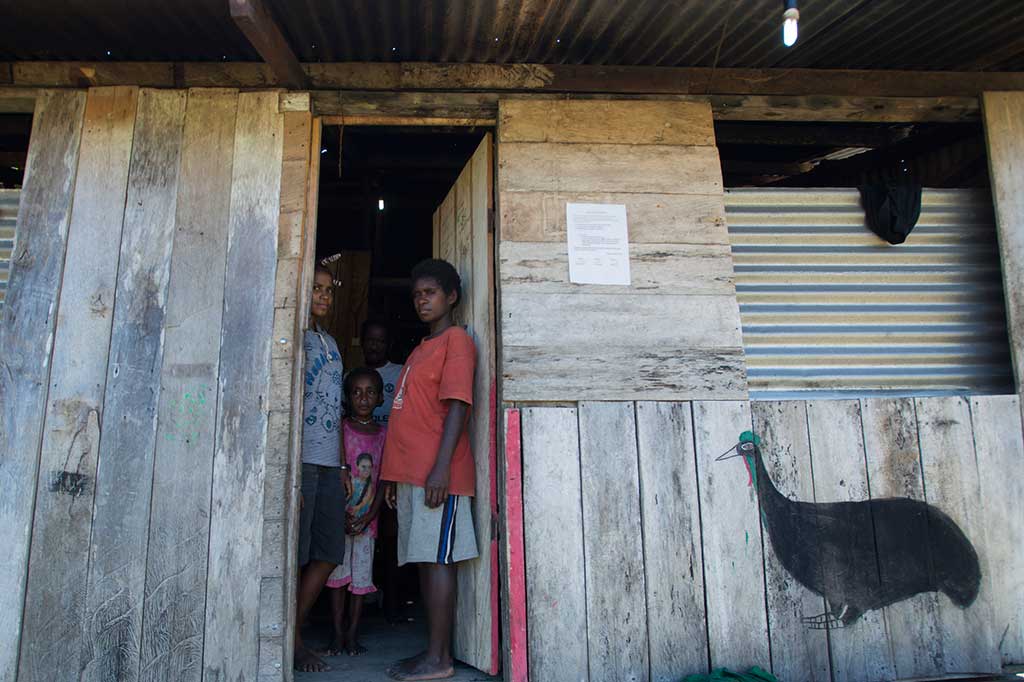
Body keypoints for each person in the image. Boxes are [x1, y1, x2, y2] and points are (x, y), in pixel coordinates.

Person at [382, 259, 478, 681]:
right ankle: (431, 653)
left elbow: (458, 404)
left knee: (438, 561)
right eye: (417, 294)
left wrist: (440, 469)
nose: (422, 300)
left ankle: (439, 660)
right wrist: (393, 474)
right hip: (413, 475)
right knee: (426, 560)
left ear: (451, 297)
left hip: (437, 475)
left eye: (431, 293)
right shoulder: (423, 347)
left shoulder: (456, 340)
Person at [294, 265, 352, 674]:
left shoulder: (330, 342)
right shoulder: (294, 339)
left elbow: (339, 408)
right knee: (295, 553)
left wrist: (345, 461)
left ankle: (291, 630)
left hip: (330, 463)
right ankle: (292, 640)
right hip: (302, 462)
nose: (323, 297)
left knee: (330, 551)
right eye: (316, 289)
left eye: (328, 291)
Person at [323, 367, 387, 657]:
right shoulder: (341, 429)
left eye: (370, 392)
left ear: (380, 398)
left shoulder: (384, 434)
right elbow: (335, 473)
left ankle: (352, 635)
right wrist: (340, 514)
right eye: (356, 392)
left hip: (366, 523)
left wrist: (371, 515)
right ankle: (336, 634)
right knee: (337, 578)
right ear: (347, 397)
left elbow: (385, 478)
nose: (363, 398)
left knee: (361, 579)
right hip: (340, 518)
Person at [360, 319, 404, 426]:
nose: (374, 346)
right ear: (362, 342)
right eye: (370, 340)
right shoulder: (353, 376)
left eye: (381, 341)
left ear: (389, 344)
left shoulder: (401, 373)